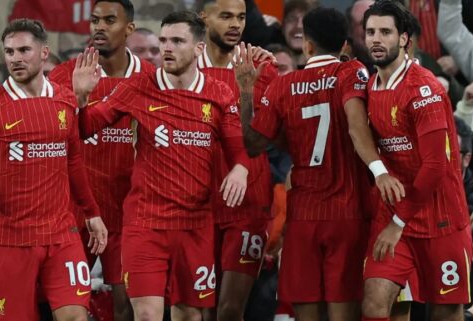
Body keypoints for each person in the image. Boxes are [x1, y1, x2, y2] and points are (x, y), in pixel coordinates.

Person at [72, 10, 250, 321]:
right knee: (146, 315)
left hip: (195, 226)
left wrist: (240, 170)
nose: (167, 48)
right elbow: (84, 128)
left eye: (177, 41)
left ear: (198, 49)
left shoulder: (219, 94)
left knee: (191, 315)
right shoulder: (139, 87)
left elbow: (239, 151)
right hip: (145, 223)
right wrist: (80, 98)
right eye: (164, 40)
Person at [239, 6, 404, 321]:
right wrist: (379, 171)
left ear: (307, 45)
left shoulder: (282, 86)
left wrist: (246, 91)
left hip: (302, 218)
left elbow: (253, 143)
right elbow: (356, 127)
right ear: (345, 45)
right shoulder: (351, 71)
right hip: (347, 213)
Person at [0, 19, 108, 321]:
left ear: (44, 53)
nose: (16, 58)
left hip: (62, 234)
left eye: (24, 50)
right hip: (11, 238)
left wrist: (91, 213)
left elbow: (73, 162)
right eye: (9, 51)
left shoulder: (65, 100)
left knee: (76, 316)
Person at [361, 1, 472, 321]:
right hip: (394, 215)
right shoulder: (372, 85)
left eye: (385, 32)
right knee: (374, 305)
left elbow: (436, 167)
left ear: (405, 39)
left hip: (441, 220)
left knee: (445, 314)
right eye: (370, 32)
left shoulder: (425, 89)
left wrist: (399, 223)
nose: (376, 40)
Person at [49, 1, 155, 320]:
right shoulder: (63, 75)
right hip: (74, 212)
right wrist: (78, 98)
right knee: (69, 308)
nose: (100, 27)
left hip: (126, 212)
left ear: (129, 28)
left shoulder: (151, 79)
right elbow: (50, 137)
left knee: (126, 308)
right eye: (95, 20)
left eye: (110, 20)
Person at [197, 1, 278, 321]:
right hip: (197, 204)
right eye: (226, 16)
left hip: (248, 204)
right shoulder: (183, 66)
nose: (235, 24)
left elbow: (261, 139)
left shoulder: (261, 67)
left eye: (241, 17)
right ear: (204, 17)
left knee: (230, 309)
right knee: (199, 309)